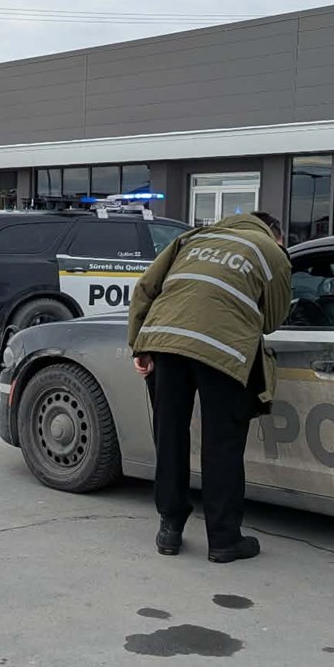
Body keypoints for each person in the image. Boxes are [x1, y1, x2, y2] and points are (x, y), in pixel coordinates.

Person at [128, 211, 291, 564]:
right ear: (274, 233)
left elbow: (145, 289)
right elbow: (274, 320)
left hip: (166, 343)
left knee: (170, 435)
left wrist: (138, 345)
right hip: (224, 352)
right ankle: (224, 540)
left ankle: (169, 530)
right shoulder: (271, 253)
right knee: (222, 444)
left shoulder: (191, 239)